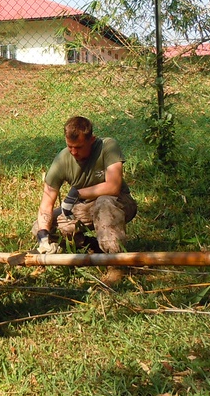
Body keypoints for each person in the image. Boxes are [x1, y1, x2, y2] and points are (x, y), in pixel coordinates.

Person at [31, 116, 138, 284]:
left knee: (104, 203)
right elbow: (46, 202)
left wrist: (77, 193)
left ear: (92, 140)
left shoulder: (107, 146)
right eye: (70, 147)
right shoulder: (63, 160)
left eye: (79, 147)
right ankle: (90, 247)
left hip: (119, 203)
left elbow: (114, 186)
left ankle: (115, 263)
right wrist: (43, 236)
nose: (74, 152)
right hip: (86, 207)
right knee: (40, 225)